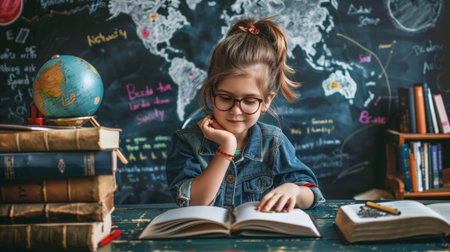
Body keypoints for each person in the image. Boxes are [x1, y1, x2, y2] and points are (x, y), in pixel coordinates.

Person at [165, 17, 324, 212]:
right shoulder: (186, 142)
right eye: (225, 98)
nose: (236, 110)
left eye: (249, 101)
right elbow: (193, 203)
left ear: (266, 101)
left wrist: (295, 190)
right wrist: (227, 148)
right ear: (211, 93)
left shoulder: (273, 142)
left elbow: (312, 194)